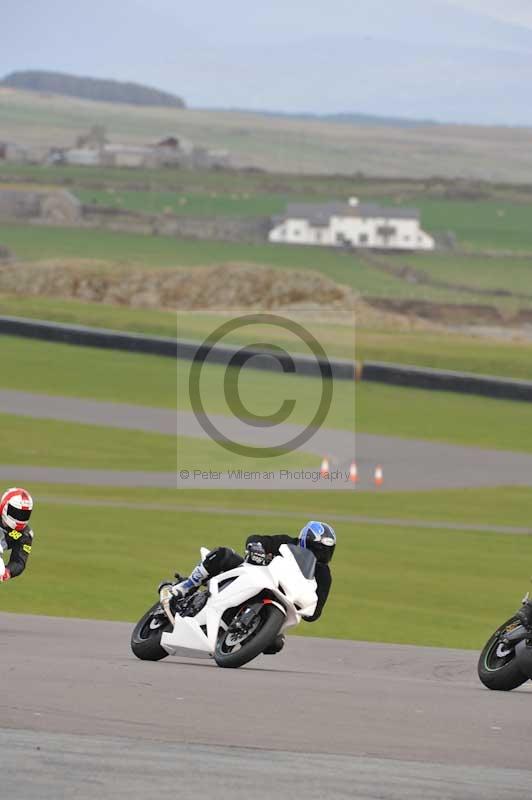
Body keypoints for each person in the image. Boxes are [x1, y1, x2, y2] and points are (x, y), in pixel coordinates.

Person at [160, 520, 336, 654]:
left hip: (281, 599)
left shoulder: (324, 575)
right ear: (305, 541)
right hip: (253, 576)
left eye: (327, 551)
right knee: (224, 555)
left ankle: (240, 633)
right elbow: (256, 539)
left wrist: (306, 604)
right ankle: (185, 587)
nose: (322, 554)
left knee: (275, 644)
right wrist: (257, 548)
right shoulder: (286, 543)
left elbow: (314, 613)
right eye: (318, 549)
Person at [0, 488, 34, 582]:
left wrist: (8, 571)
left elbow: (19, 562)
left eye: (24, 514)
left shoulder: (25, 535)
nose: (20, 518)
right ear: (5, 506)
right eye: (16, 513)